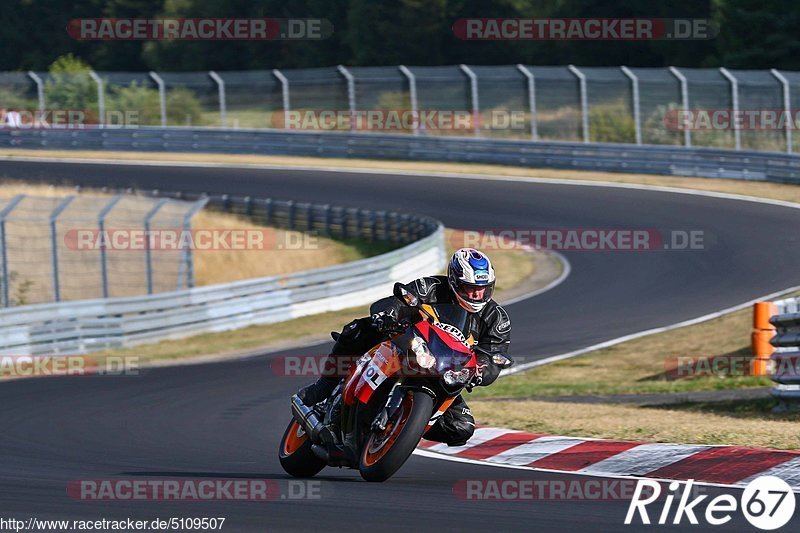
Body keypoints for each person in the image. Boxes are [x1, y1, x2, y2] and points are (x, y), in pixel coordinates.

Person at [297, 247, 512, 447]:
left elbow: (494, 356)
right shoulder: (432, 287)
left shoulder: (496, 319)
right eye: (470, 288)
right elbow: (399, 300)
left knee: (461, 428)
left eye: (482, 289)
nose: (477, 295)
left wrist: (480, 371)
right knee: (357, 329)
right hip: (410, 348)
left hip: (446, 372)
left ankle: (402, 430)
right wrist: (389, 316)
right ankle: (324, 388)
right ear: (454, 282)